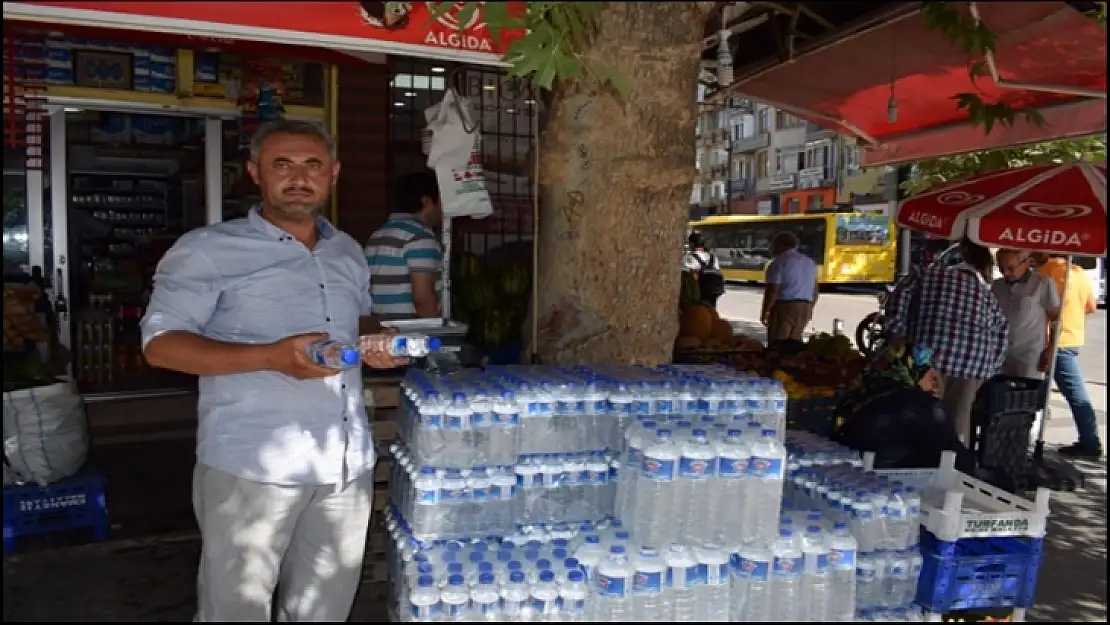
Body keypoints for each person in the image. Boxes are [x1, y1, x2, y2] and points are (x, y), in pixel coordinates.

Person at [139, 120, 409, 622]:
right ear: (255, 173)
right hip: (252, 464)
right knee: (236, 609)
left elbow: (356, 319)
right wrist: (269, 357)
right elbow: (161, 346)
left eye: (313, 165)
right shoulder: (207, 249)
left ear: (334, 173)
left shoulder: (347, 250)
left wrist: (377, 338)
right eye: (281, 165)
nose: (298, 177)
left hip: (343, 463)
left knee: (324, 607)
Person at [886, 238, 1008, 446]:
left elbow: (900, 298)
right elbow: (1001, 332)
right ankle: (955, 465)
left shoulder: (925, 274)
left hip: (929, 355)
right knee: (957, 421)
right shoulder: (985, 294)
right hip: (973, 364)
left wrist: (897, 335)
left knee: (922, 413)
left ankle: (920, 461)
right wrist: (989, 369)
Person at [835, 343, 980, 476]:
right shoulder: (919, 405)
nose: (935, 386)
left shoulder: (855, 399)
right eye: (932, 377)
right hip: (893, 488)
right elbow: (959, 462)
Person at [1037, 254, 1102, 458]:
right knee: (1047, 390)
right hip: (1072, 337)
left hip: (1053, 341)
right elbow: (1091, 306)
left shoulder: (1044, 273)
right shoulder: (1078, 272)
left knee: (1075, 394)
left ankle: (1090, 442)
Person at [364, 171, 444, 319]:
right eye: (441, 202)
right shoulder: (420, 237)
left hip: (382, 332)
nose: (443, 210)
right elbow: (422, 299)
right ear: (426, 202)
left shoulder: (376, 236)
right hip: (411, 334)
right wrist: (435, 329)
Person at [991, 249, 1060, 379]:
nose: (1005, 273)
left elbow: (1056, 318)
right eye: (1001, 269)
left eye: (1010, 268)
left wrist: (1051, 349)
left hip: (1029, 357)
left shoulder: (1043, 283)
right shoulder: (997, 285)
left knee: (1025, 396)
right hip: (998, 354)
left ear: (1026, 263)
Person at [761, 231, 818, 342]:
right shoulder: (810, 262)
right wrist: (810, 307)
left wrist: (765, 312)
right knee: (795, 342)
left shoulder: (778, 262)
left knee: (779, 343)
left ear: (779, 244)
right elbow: (815, 290)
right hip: (805, 306)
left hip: (784, 307)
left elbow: (772, 290)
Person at [683, 231, 725, 308]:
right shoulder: (713, 257)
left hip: (699, 292)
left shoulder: (690, 257)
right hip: (713, 292)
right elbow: (717, 270)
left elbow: (690, 276)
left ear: (691, 244)